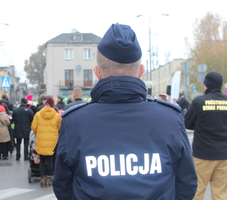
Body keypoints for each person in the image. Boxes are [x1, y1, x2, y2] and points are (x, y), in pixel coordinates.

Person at [53, 23, 197, 200]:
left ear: (97, 73)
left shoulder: (74, 121)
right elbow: (187, 183)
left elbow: (62, 185)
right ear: (141, 72)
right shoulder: (170, 118)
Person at [185, 71, 227, 200]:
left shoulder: (199, 101)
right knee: (219, 194)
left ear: (206, 85)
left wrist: (200, 125)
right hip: (224, 155)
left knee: (197, 192)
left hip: (202, 155)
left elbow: (187, 123)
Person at [31, 96, 61, 188]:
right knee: (50, 160)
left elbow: (33, 128)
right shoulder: (56, 115)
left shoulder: (38, 114)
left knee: (42, 160)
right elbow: (59, 128)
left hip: (41, 141)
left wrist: (38, 133)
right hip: (52, 141)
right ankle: (48, 180)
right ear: (53, 105)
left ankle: (42, 179)